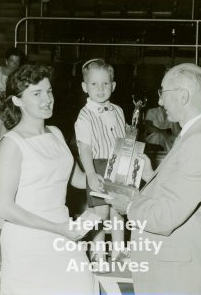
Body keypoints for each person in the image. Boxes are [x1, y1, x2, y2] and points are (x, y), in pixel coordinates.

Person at [106, 63, 201, 294]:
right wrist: (151, 175)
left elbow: (165, 217)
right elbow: (184, 196)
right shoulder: (197, 132)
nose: (160, 101)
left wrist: (129, 206)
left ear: (183, 96)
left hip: (181, 280)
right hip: (178, 273)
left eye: (163, 93)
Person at [0, 64, 94, 295]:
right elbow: (3, 207)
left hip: (65, 232)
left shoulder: (56, 133)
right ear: (17, 101)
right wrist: (57, 228)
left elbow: (78, 179)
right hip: (28, 242)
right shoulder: (12, 144)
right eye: (36, 94)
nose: (47, 99)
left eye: (48, 91)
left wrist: (120, 175)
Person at [74, 59, 126, 265]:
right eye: (94, 84)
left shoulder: (119, 110)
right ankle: (96, 254)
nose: (101, 88)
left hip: (119, 165)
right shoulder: (84, 115)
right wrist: (90, 173)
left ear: (113, 86)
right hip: (98, 166)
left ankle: (119, 254)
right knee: (100, 213)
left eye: (105, 83)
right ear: (85, 87)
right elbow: (84, 148)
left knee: (118, 211)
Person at [0, 47, 24, 146]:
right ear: (6, 61)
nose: (14, 64)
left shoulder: (18, 76)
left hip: (7, 105)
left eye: (17, 62)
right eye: (12, 61)